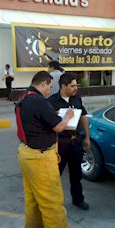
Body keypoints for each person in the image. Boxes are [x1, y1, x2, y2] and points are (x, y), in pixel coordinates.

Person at [15, 71, 81, 228]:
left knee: (33, 198)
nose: (50, 89)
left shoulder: (23, 97)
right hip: (40, 157)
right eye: (50, 86)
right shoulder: (38, 101)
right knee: (52, 200)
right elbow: (59, 126)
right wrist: (67, 116)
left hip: (26, 153)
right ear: (44, 83)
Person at [48, 73, 91, 211]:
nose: (76, 88)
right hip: (60, 143)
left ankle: (78, 199)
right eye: (72, 86)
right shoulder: (51, 102)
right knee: (56, 174)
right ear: (63, 86)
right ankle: (54, 203)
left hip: (75, 142)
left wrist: (87, 137)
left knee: (76, 174)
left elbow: (83, 117)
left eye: (76, 85)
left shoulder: (77, 98)